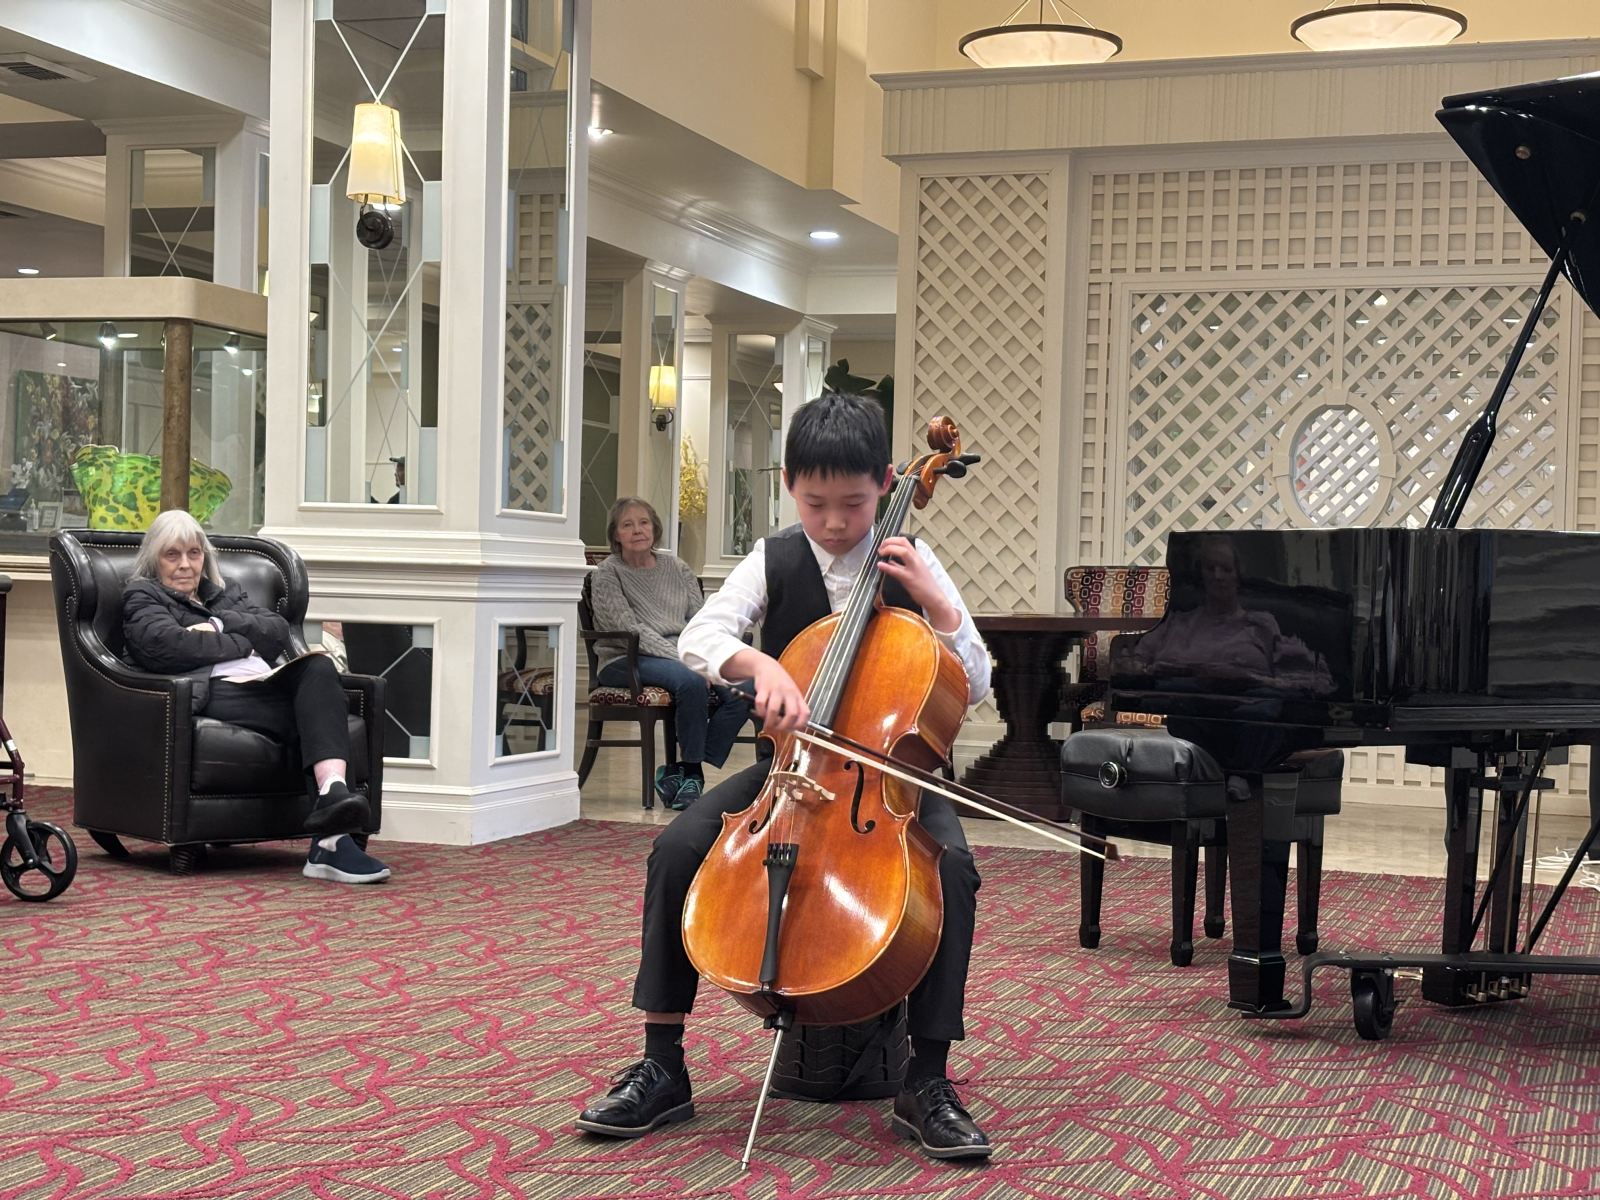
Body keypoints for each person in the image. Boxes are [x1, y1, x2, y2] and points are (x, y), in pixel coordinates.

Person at [576, 393, 994, 1161]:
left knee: (954, 871)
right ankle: (662, 1063)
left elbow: (977, 680)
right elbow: (702, 633)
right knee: (675, 850)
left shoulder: (914, 558)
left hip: (889, 783)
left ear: (887, 484)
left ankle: (927, 1080)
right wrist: (758, 665)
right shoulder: (774, 557)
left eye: (853, 505)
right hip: (788, 774)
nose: (833, 522)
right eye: (814, 504)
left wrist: (939, 605)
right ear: (790, 487)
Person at [120, 509, 392, 884]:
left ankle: (333, 794)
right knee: (317, 714)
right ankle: (332, 844)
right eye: (172, 555)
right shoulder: (142, 595)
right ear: (155, 559)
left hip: (262, 682)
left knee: (318, 668)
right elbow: (166, 646)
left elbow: (276, 630)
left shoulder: (223, 592)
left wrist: (218, 624)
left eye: (194, 553)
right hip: (213, 690)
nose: (185, 564)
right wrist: (244, 642)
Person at [589, 497, 753, 808]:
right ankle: (692, 773)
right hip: (626, 658)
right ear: (616, 534)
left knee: (747, 686)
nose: (638, 530)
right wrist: (687, 659)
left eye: (644, 523)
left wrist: (705, 654)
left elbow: (700, 619)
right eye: (627, 525)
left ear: (655, 528)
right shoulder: (607, 574)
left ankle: (680, 770)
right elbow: (629, 629)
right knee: (690, 680)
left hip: (684, 655)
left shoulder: (677, 567)